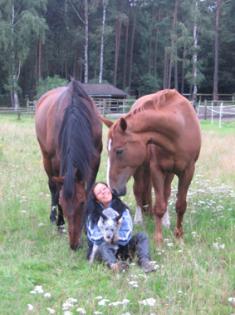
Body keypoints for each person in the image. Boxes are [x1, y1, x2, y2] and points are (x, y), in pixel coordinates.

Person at [85, 182, 156, 273]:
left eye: (105, 188)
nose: (103, 192)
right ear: (97, 200)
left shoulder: (122, 209)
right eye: (99, 192)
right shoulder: (92, 213)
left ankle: (145, 262)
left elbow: (127, 233)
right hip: (104, 248)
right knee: (102, 246)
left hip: (122, 246)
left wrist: (116, 238)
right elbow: (93, 236)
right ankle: (115, 266)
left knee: (142, 236)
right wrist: (108, 237)